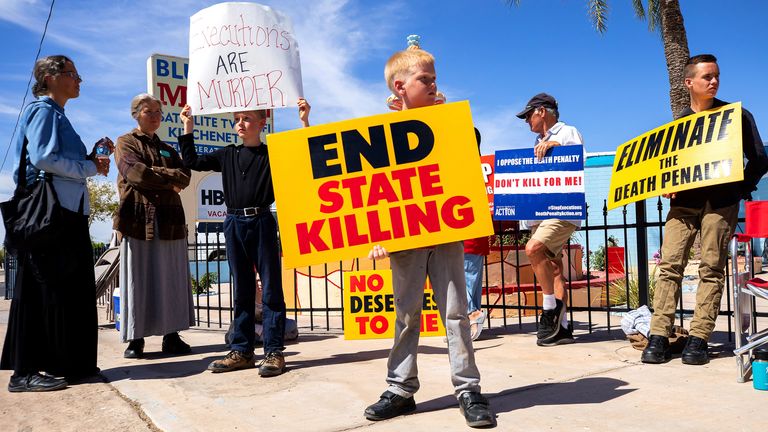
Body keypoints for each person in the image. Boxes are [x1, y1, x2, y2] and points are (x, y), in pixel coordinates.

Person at [365, 39, 494, 428]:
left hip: (447, 232)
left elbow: (470, 146)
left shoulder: (451, 121)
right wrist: (377, 235)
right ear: (400, 87)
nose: (434, 85)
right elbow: (372, 187)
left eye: (435, 79)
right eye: (426, 79)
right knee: (406, 314)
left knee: (456, 313)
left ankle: (468, 389)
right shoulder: (382, 130)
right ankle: (401, 389)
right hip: (404, 237)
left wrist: (446, 117)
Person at [642, 54, 768, 365]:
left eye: (716, 76)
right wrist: (665, 184)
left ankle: (698, 339)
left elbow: (760, 158)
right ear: (689, 83)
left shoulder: (737, 116)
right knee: (669, 265)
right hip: (684, 203)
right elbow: (668, 165)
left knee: (711, 268)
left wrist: (739, 188)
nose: (713, 81)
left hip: (721, 202)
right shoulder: (679, 125)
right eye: (706, 77)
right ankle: (659, 336)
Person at [1, 55, 111, 392]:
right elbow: (43, 158)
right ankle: (25, 373)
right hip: (52, 215)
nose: (79, 81)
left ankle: (70, 364)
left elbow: (58, 160)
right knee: (42, 289)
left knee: (70, 292)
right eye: (73, 74)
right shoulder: (43, 111)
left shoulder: (59, 115)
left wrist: (89, 158)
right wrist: (90, 168)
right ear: (50, 77)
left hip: (66, 212)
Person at [178, 99, 311, 376]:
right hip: (233, 221)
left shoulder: (272, 154)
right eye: (237, 118)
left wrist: (304, 121)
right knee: (242, 290)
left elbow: (303, 156)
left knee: (272, 289)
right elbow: (191, 161)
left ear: (262, 124)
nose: (240, 123)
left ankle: (274, 352)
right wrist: (187, 127)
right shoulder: (227, 155)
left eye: (247, 118)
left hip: (262, 221)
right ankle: (242, 351)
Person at [114, 93, 195, 359]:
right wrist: (166, 178)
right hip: (137, 220)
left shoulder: (169, 149)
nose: (156, 116)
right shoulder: (125, 142)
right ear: (136, 113)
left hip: (170, 221)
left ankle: (171, 336)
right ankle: (136, 340)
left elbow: (184, 176)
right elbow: (135, 173)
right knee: (138, 280)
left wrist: (161, 174)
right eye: (150, 112)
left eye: (159, 112)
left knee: (170, 279)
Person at [516, 93, 584, 346]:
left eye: (528, 116)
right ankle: (563, 329)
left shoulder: (567, 132)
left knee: (533, 249)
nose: (526, 122)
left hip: (562, 210)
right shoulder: (537, 139)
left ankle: (549, 309)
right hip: (541, 211)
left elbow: (580, 161)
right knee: (554, 268)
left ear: (542, 111)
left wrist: (556, 147)